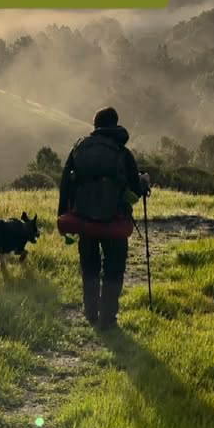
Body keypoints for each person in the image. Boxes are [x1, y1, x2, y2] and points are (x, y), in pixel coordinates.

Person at [58, 106, 150, 329]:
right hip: (114, 222)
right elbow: (135, 191)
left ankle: (91, 313)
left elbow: (66, 184)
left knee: (89, 266)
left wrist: (62, 215)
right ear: (116, 124)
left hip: (84, 220)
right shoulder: (122, 152)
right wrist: (144, 182)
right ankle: (108, 319)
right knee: (114, 268)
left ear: (95, 125)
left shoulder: (79, 148)